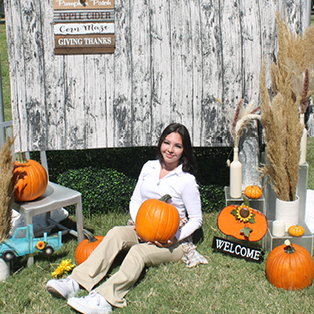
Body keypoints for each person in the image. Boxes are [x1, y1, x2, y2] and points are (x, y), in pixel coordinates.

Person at [46, 123, 206, 314]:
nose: (170, 150)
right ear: (160, 143)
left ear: (184, 151)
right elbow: (136, 199)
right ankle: (76, 281)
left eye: (177, 146)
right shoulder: (149, 167)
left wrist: (175, 236)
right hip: (143, 226)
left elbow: (196, 219)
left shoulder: (186, 180)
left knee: (139, 252)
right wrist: (139, 224)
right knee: (115, 233)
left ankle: (104, 299)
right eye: (166, 143)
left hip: (173, 240)